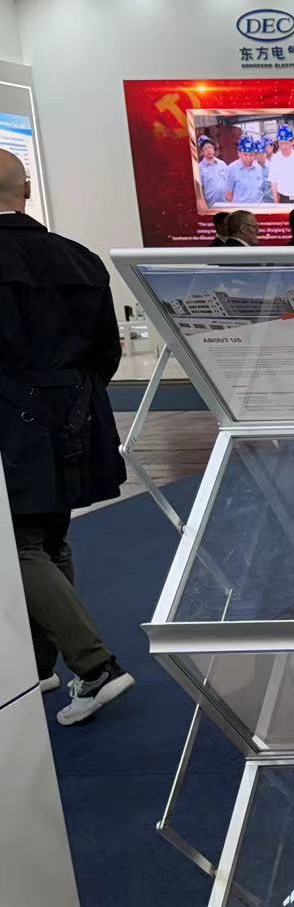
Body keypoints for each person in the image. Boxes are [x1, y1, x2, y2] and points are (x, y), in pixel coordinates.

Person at [0, 149, 136, 724]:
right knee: (50, 537)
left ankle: (95, 665)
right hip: (78, 414)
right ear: (27, 190)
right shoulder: (80, 258)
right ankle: (37, 669)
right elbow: (106, 351)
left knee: (20, 544)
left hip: (13, 418)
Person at [225, 135, 270, 204]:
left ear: (254, 154)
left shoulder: (258, 168)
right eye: (245, 155)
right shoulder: (232, 169)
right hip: (241, 209)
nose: (248, 158)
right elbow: (228, 195)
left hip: (258, 207)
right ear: (239, 153)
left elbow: (262, 190)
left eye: (251, 155)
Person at [197, 135, 231, 206]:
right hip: (211, 206)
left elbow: (229, 182)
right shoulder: (199, 168)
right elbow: (200, 190)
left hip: (226, 203)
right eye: (205, 149)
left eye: (210, 147)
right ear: (202, 152)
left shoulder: (222, 164)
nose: (208, 150)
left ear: (213, 148)